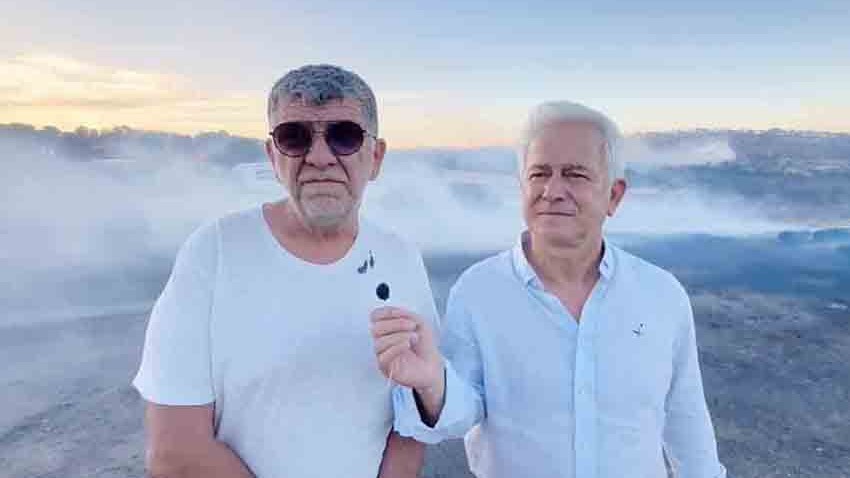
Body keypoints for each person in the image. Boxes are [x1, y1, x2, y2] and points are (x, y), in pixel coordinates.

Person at [370, 101, 728, 477]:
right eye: (540, 173)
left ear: (614, 195)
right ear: (522, 187)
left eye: (575, 174)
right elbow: (461, 414)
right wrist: (432, 383)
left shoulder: (661, 295)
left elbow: (686, 421)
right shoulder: (478, 292)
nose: (553, 190)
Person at [133, 64, 437, 478]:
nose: (320, 157)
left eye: (345, 136)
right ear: (273, 156)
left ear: (376, 157)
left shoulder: (401, 258)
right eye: (294, 137)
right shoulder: (214, 253)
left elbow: (415, 415)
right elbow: (176, 451)